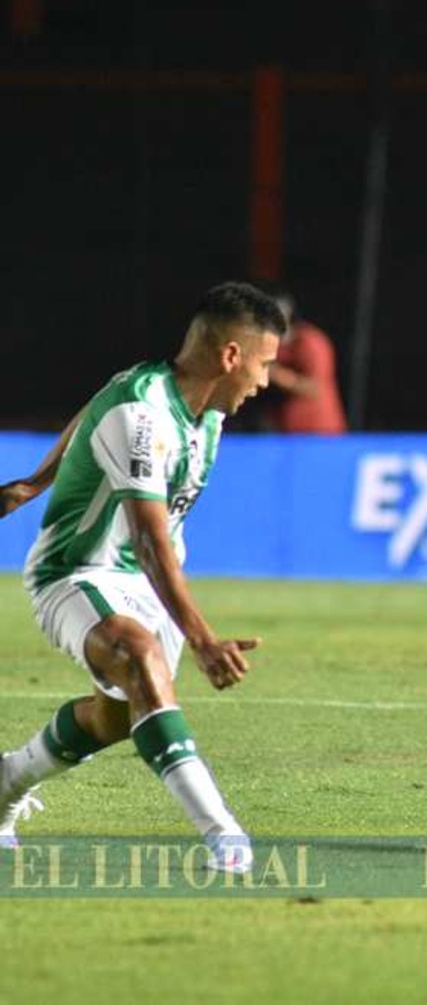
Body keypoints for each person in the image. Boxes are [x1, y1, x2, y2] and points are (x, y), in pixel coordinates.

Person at [0, 281, 286, 874]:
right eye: (263, 365)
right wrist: (204, 639)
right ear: (230, 355)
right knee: (138, 656)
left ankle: (7, 780)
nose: (264, 381)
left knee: (114, 719)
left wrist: (34, 480)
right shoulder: (142, 412)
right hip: (78, 571)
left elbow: (92, 410)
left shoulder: (204, 413)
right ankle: (224, 835)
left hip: (148, 584)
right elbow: (150, 540)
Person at [261, 288, 347, 435]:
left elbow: (314, 388)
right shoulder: (269, 345)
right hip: (284, 434)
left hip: (319, 434)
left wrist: (273, 372)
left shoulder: (310, 342)